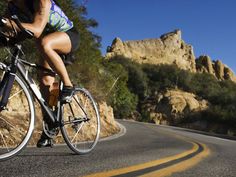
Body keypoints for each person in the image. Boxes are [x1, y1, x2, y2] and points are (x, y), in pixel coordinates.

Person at [5, 0, 80, 147]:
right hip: (47, 43)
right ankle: (50, 126)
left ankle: (69, 85)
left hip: (68, 36)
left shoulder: (40, 1)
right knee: (46, 82)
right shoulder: (12, 6)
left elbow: (37, 29)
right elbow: (7, 32)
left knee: (44, 42)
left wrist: (9, 24)